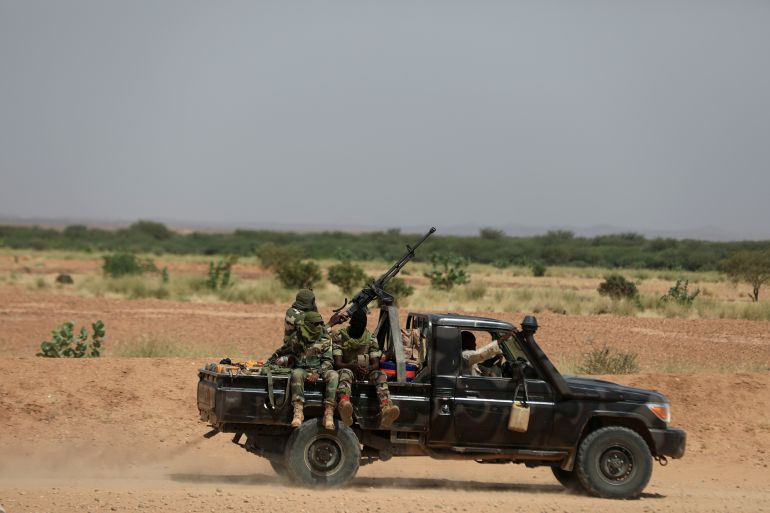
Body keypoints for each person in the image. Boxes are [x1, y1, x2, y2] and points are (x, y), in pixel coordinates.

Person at [267, 311, 339, 430]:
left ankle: (329, 413)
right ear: (308, 324)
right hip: (302, 369)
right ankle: (298, 412)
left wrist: (318, 372)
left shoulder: (325, 338)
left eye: (320, 324)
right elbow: (284, 350)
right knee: (296, 373)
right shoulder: (297, 337)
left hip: (319, 370)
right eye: (315, 324)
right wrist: (274, 360)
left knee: (334, 375)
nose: (319, 327)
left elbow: (328, 361)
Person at [333, 309, 400, 428]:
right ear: (351, 324)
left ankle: (386, 408)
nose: (358, 328)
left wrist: (368, 369)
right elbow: (338, 363)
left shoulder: (370, 338)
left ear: (364, 326)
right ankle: (344, 404)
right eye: (356, 326)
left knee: (380, 375)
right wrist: (353, 366)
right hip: (348, 368)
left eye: (361, 326)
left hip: (365, 370)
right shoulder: (340, 336)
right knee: (345, 374)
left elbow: (376, 364)